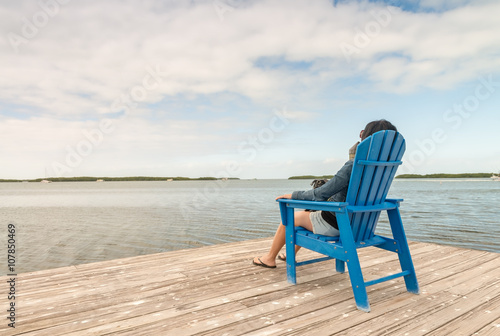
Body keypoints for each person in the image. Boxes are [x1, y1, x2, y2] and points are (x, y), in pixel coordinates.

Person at [252, 119, 398, 268]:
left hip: (337, 225)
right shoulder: (385, 169)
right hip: (363, 226)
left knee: (289, 218)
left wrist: (294, 195)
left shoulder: (353, 165)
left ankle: (269, 258)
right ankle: (291, 254)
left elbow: (321, 194)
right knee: (309, 211)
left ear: (362, 135)